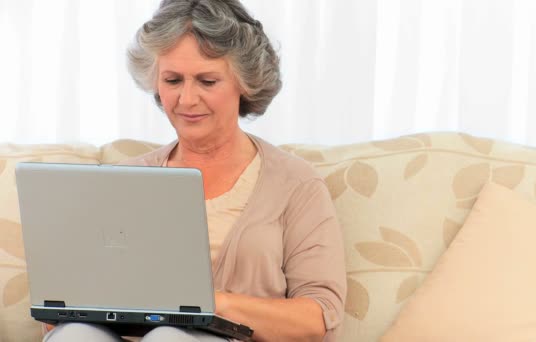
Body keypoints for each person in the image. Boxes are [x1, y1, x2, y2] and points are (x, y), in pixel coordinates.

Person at [43, 0, 346, 341]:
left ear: (244, 83)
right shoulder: (123, 182)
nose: (186, 99)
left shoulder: (295, 184)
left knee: (168, 338)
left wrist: (213, 304)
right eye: (173, 80)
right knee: (75, 334)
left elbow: (318, 318)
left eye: (207, 81)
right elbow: (76, 295)